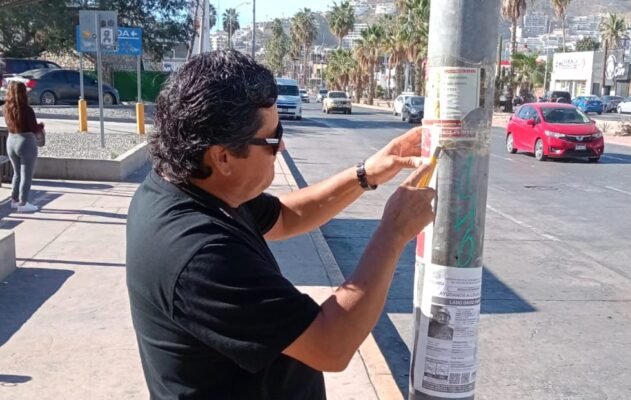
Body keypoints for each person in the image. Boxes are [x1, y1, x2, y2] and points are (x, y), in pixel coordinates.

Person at [126, 49, 436, 399]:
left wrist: (365, 174)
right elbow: (332, 345)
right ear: (223, 157)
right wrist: (393, 233)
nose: (283, 146)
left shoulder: (191, 183)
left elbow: (285, 217)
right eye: (273, 138)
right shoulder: (199, 254)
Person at [3, 81, 43, 213]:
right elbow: (34, 128)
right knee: (26, 174)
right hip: (25, 142)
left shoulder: (6, 108)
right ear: (23, 93)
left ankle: (14, 200)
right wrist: (41, 126)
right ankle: (23, 203)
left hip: (11, 141)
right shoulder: (27, 109)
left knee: (17, 173)